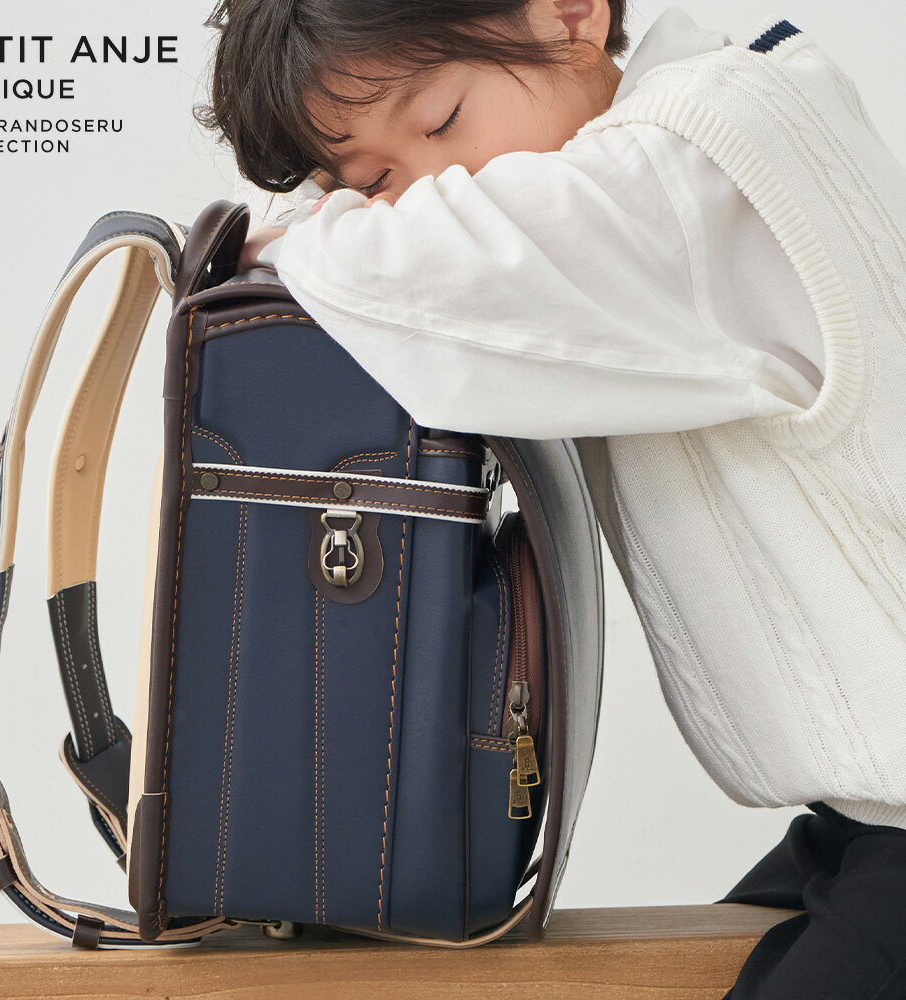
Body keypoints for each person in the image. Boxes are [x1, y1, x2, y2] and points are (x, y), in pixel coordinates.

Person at [195, 2, 906, 995]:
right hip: (862, 817)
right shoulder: (735, 102)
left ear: (568, 13)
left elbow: (414, 270)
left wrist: (292, 239)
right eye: (376, 180)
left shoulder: (689, 165)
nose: (432, 188)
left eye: (440, 121)